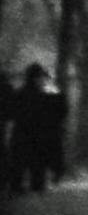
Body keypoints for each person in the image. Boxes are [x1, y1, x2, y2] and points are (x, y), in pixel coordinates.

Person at [10, 64, 68, 193]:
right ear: (37, 78)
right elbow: (61, 109)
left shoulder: (20, 93)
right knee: (37, 161)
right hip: (39, 134)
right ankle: (38, 184)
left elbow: (12, 113)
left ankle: (17, 186)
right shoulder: (46, 93)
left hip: (22, 133)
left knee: (20, 162)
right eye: (40, 77)